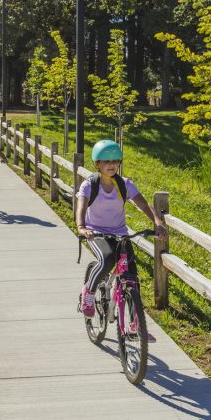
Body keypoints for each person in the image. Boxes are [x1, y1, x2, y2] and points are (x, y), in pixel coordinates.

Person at [75, 139, 167, 327]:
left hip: (120, 233)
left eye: (115, 161)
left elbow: (142, 204)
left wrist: (157, 222)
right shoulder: (89, 185)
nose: (112, 165)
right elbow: (81, 207)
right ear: (97, 164)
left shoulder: (125, 184)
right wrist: (82, 227)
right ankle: (89, 292)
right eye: (106, 162)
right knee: (108, 259)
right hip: (96, 232)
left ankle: (136, 324)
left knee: (132, 275)